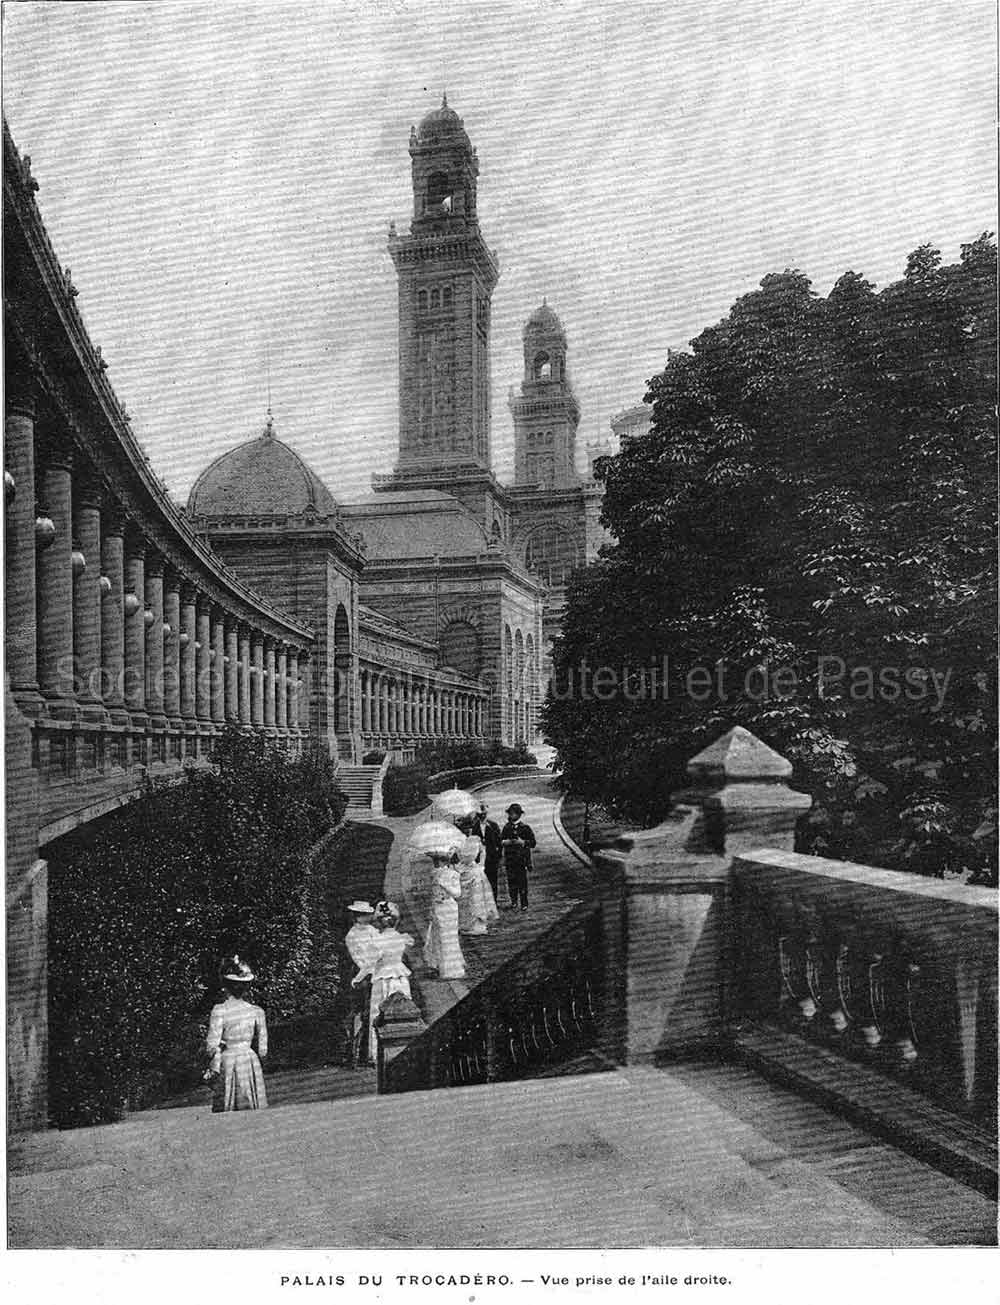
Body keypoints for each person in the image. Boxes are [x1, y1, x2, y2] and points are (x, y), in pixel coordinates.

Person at [204, 954, 268, 1111]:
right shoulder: (256, 1011)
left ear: (225, 986)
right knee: (251, 1104)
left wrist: (215, 1054)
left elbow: (211, 1046)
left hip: (229, 1060)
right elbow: (263, 1050)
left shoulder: (220, 1010)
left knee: (227, 1103)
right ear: (247, 987)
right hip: (249, 1060)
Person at [353, 901, 415, 1063]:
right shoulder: (401, 938)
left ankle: (377, 1053)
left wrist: (357, 978)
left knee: (378, 1012)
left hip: (383, 980)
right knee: (404, 1010)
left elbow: (369, 964)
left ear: (378, 922)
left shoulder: (378, 942)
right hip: (400, 979)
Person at [344, 901, 379, 1066]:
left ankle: (369, 1051)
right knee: (359, 1013)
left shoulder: (372, 931)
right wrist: (361, 976)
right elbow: (358, 959)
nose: (369, 917)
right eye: (364, 915)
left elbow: (379, 949)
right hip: (361, 975)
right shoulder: (352, 936)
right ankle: (355, 1053)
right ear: (357, 917)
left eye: (368, 914)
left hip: (374, 973)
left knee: (372, 1012)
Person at [423, 853, 466, 979]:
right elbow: (432, 894)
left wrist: (444, 884)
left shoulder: (453, 874)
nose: (437, 864)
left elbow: (457, 893)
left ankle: (452, 969)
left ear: (446, 861)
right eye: (435, 861)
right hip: (438, 908)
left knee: (449, 937)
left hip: (449, 908)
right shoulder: (433, 874)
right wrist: (431, 909)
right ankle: (439, 965)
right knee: (437, 937)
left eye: (439, 861)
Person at [455, 815, 500, 935]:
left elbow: (483, 851)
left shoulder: (475, 839)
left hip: (475, 870)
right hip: (463, 869)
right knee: (464, 898)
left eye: (469, 827)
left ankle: (477, 924)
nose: (468, 830)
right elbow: (455, 855)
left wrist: (482, 864)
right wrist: (457, 865)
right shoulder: (458, 840)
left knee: (476, 898)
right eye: (465, 828)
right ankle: (465, 924)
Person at [501, 802, 537, 911]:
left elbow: (533, 843)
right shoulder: (507, 827)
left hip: (521, 859)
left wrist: (523, 842)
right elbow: (501, 840)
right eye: (510, 813)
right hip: (510, 859)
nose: (511, 816)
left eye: (513, 814)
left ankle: (524, 903)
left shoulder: (525, 828)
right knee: (511, 881)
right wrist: (506, 842)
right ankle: (514, 901)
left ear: (518, 815)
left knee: (522, 882)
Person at [476, 802, 503, 903]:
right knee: (481, 880)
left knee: (493, 879)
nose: (482, 815)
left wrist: (498, 855)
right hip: (480, 857)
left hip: (492, 857)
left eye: (484, 813)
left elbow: (499, 842)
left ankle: (493, 901)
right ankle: (484, 901)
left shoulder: (493, 825)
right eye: (480, 813)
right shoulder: (475, 827)